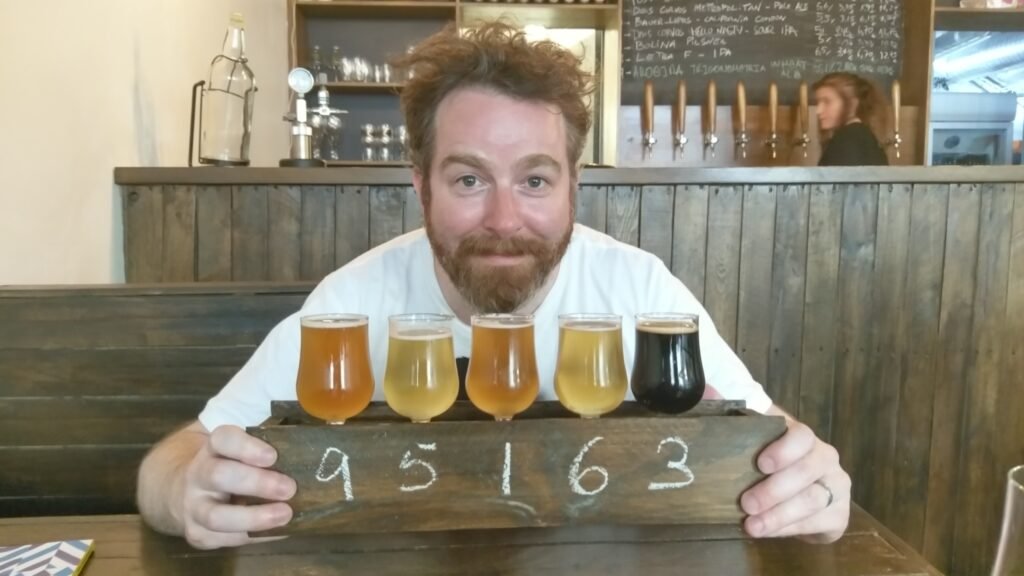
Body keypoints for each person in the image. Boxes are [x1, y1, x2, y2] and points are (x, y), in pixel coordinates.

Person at [136, 22, 851, 550]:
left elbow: (769, 435)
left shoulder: (638, 290)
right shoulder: (352, 303)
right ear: (420, 185)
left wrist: (812, 488)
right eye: (469, 179)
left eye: (535, 180)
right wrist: (181, 492)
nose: (504, 219)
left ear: (574, 186)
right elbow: (176, 458)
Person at [813, 72, 890, 166]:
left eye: (827, 102)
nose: (818, 110)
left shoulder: (846, 140)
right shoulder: (862, 135)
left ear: (853, 104)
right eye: (818, 102)